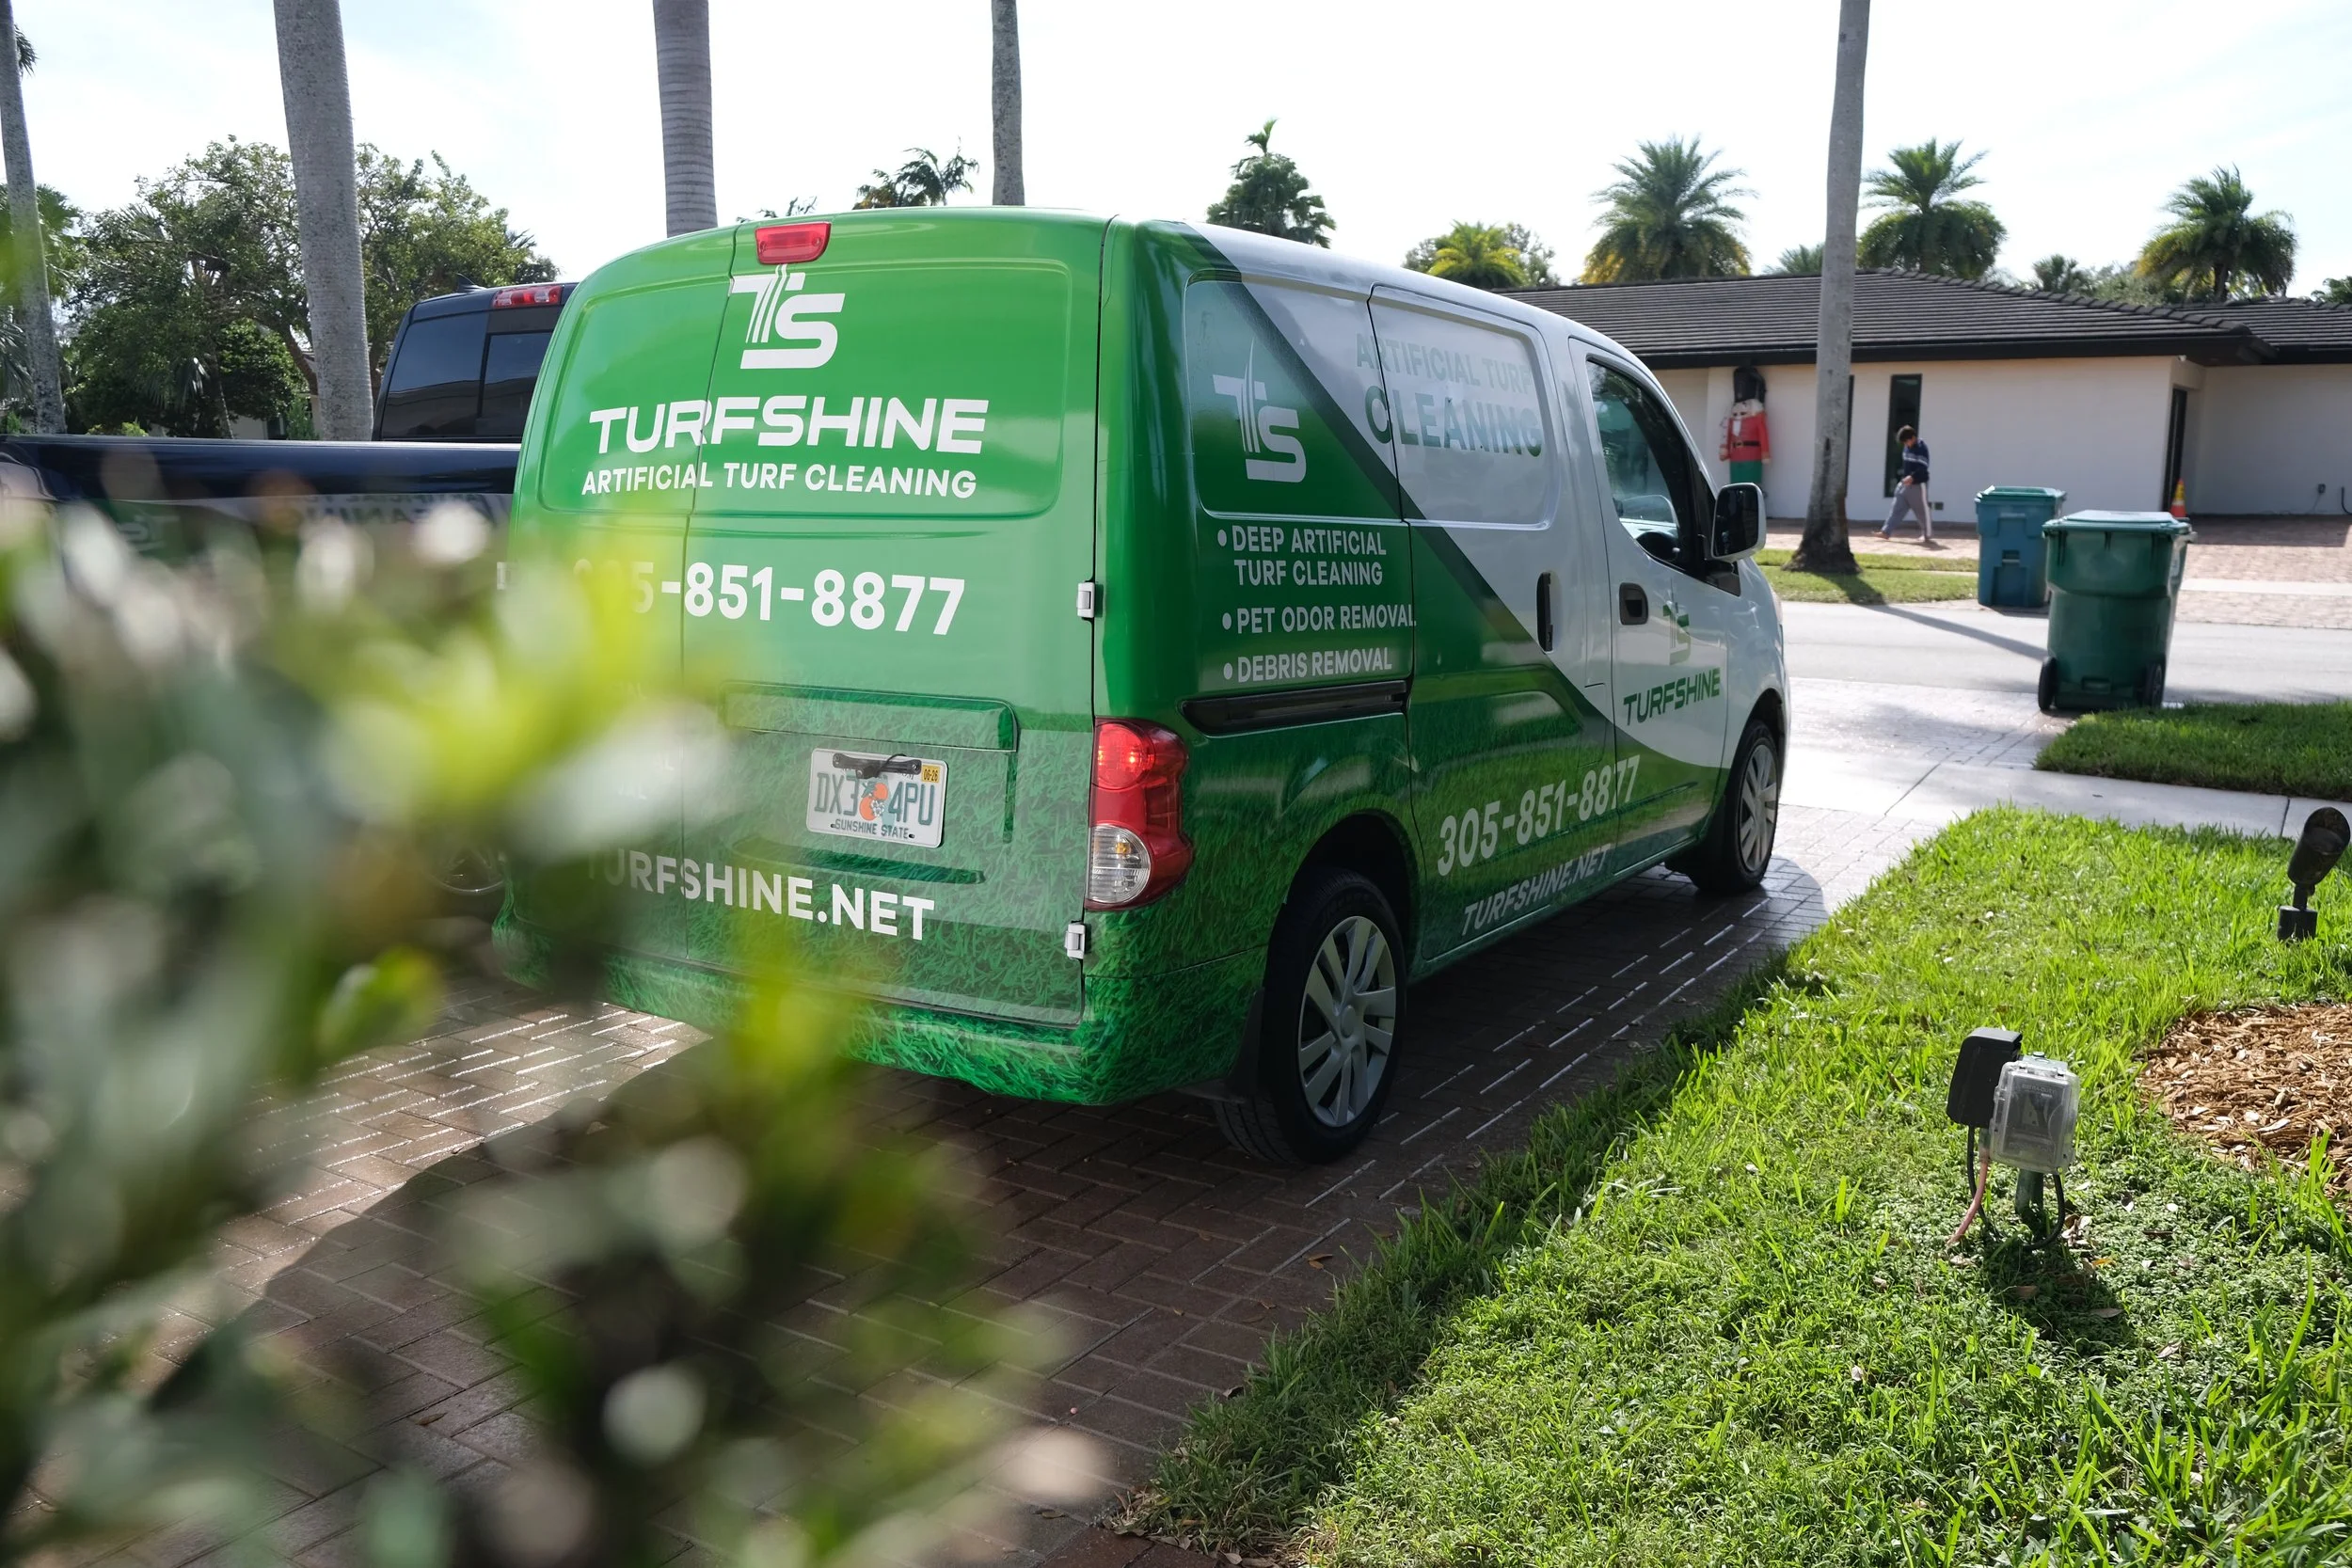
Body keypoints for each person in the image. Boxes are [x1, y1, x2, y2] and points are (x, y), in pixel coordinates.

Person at [1881, 425, 1932, 542]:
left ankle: (1927, 535)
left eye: (1906, 441)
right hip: (1905, 484)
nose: (1905, 444)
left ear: (1913, 438)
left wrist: (1912, 477)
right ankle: (1886, 532)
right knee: (1896, 508)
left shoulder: (1922, 448)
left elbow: (1923, 468)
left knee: (1921, 511)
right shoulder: (1906, 447)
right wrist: (1905, 478)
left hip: (1919, 485)